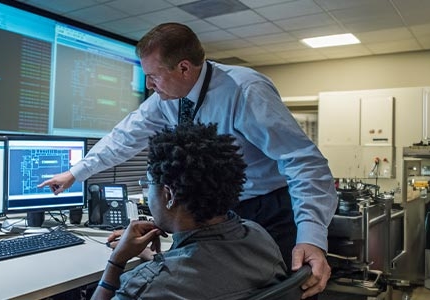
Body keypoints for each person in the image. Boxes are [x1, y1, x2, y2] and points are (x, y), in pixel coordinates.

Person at [38, 22, 337, 297]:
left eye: (153, 76)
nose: (149, 86)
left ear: (183, 68)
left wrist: (311, 236)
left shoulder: (245, 91)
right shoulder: (168, 99)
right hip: (222, 212)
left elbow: (303, 162)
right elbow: (124, 137)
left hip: (268, 209)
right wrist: (75, 173)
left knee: (278, 291)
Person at [93, 122, 287, 300]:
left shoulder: (146, 288)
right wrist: (152, 257)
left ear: (169, 195)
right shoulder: (259, 237)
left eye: (148, 184)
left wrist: (116, 261)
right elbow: (210, 269)